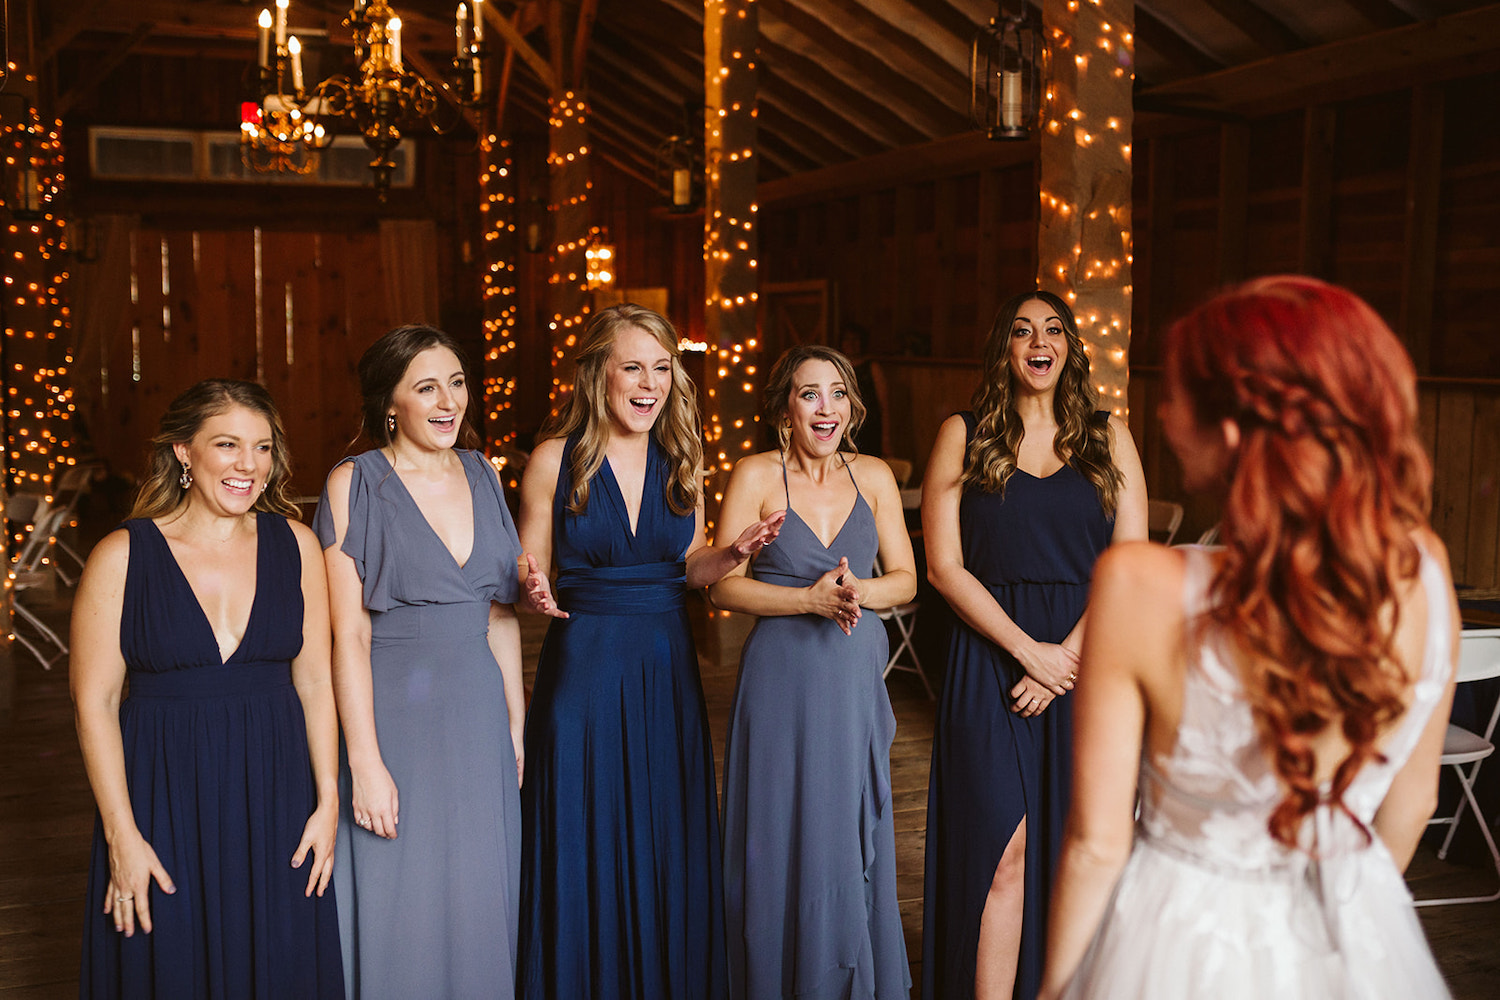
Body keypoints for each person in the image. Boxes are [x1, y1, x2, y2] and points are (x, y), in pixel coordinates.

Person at [1039, 277, 1458, 1000]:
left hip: (1177, 942)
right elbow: (1414, 801)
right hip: (1353, 930)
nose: (1164, 415)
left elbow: (1095, 844)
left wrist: (1053, 991)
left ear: (1232, 433)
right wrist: (1346, 934)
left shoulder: (1137, 582)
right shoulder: (1422, 565)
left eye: (1174, 396)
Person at [516, 303, 782, 1000]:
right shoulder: (554, 458)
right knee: (587, 830)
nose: (649, 383)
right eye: (632, 367)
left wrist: (731, 553)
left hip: (666, 668)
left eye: (662, 368)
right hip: (585, 667)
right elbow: (527, 567)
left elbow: (688, 565)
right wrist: (530, 585)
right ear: (597, 374)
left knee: (663, 831)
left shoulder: (684, 456)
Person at [73, 379, 344, 998]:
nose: (248, 465)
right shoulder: (122, 555)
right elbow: (95, 704)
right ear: (183, 453)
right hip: (160, 802)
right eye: (227, 445)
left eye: (263, 447)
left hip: (278, 802)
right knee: (166, 963)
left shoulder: (297, 546)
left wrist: (327, 801)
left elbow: (316, 682)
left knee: (280, 964)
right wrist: (122, 835)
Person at [313, 325, 555, 999]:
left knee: (480, 893)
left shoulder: (482, 471)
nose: (448, 400)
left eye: (456, 382)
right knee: (403, 898)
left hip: (479, 712)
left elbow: (500, 615)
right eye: (426, 387)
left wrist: (515, 725)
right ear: (390, 404)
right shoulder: (352, 482)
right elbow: (348, 637)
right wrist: (363, 761)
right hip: (394, 718)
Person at [921, 290, 1148, 1000]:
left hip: (1091, 657)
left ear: (1070, 348)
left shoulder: (1109, 437)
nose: (1037, 341)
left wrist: (1067, 660)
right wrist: (1031, 652)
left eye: (1052, 329)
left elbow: (1132, 556)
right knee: (1004, 848)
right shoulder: (963, 432)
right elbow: (943, 567)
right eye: (1021, 331)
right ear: (1005, 351)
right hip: (989, 657)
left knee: (1081, 846)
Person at [711, 345, 916, 999]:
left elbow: (909, 581)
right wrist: (809, 599)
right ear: (784, 410)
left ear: (852, 408)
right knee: (780, 833)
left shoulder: (875, 477)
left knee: (848, 826)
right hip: (782, 679)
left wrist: (856, 590)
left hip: (853, 673)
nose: (825, 408)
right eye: (809, 394)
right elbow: (722, 589)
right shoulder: (754, 475)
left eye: (837, 394)